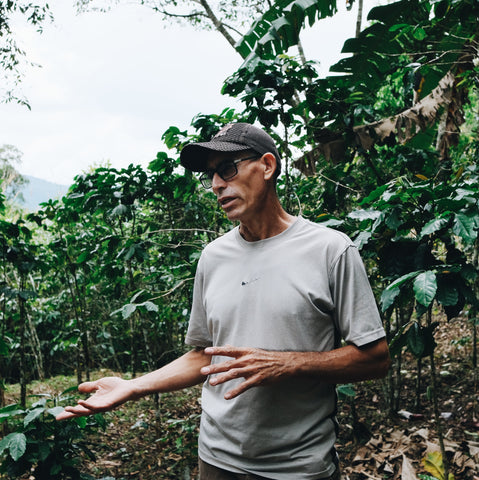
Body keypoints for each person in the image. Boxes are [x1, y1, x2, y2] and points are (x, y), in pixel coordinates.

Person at [57, 122, 391, 480]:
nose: (217, 184)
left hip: (299, 466)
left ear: (266, 166)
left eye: (227, 169)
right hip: (217, 459)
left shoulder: (330, 250)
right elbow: (204, 355)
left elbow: (374, 358)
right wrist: (133, 386)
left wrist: (289, 363)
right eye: (211, 175)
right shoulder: (213, 257)